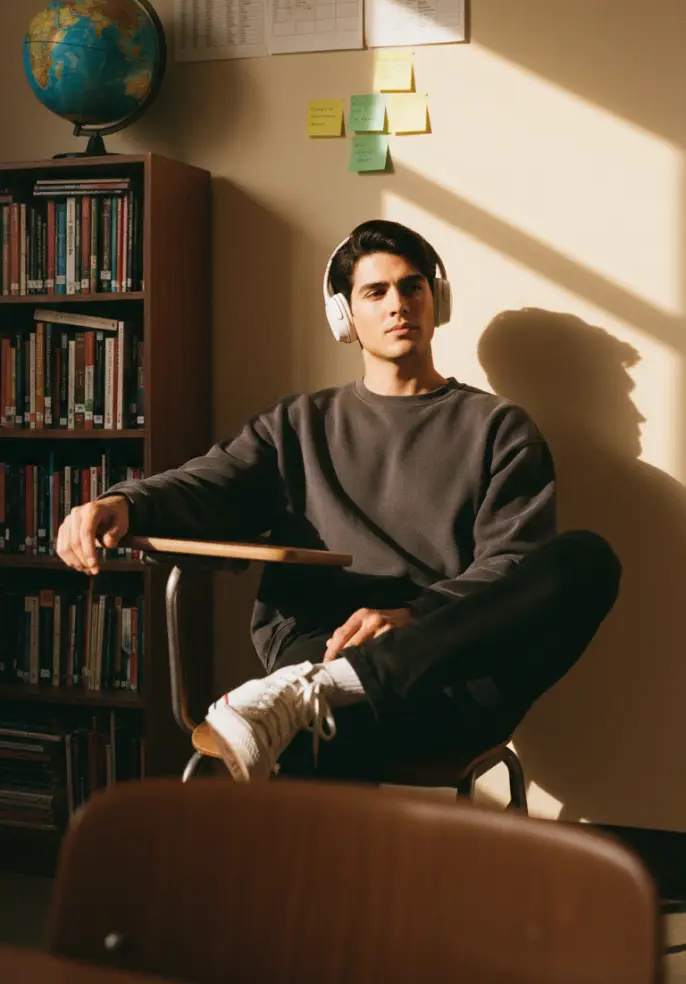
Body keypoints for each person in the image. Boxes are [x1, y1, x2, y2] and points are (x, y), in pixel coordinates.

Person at [56, 220, 620, 784]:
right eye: (376, 292)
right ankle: (317, 712)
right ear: (344, 316)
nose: (399, 304)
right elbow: (209, 483)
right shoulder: (299, 424)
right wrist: (123, 503)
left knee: (587, 560)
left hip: (447, 671)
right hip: (323, 642)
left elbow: (511, 563)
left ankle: (320, 698)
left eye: (413, 286)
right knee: (320, 736)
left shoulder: (499, 428)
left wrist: (413, 617)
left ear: (436, 300)